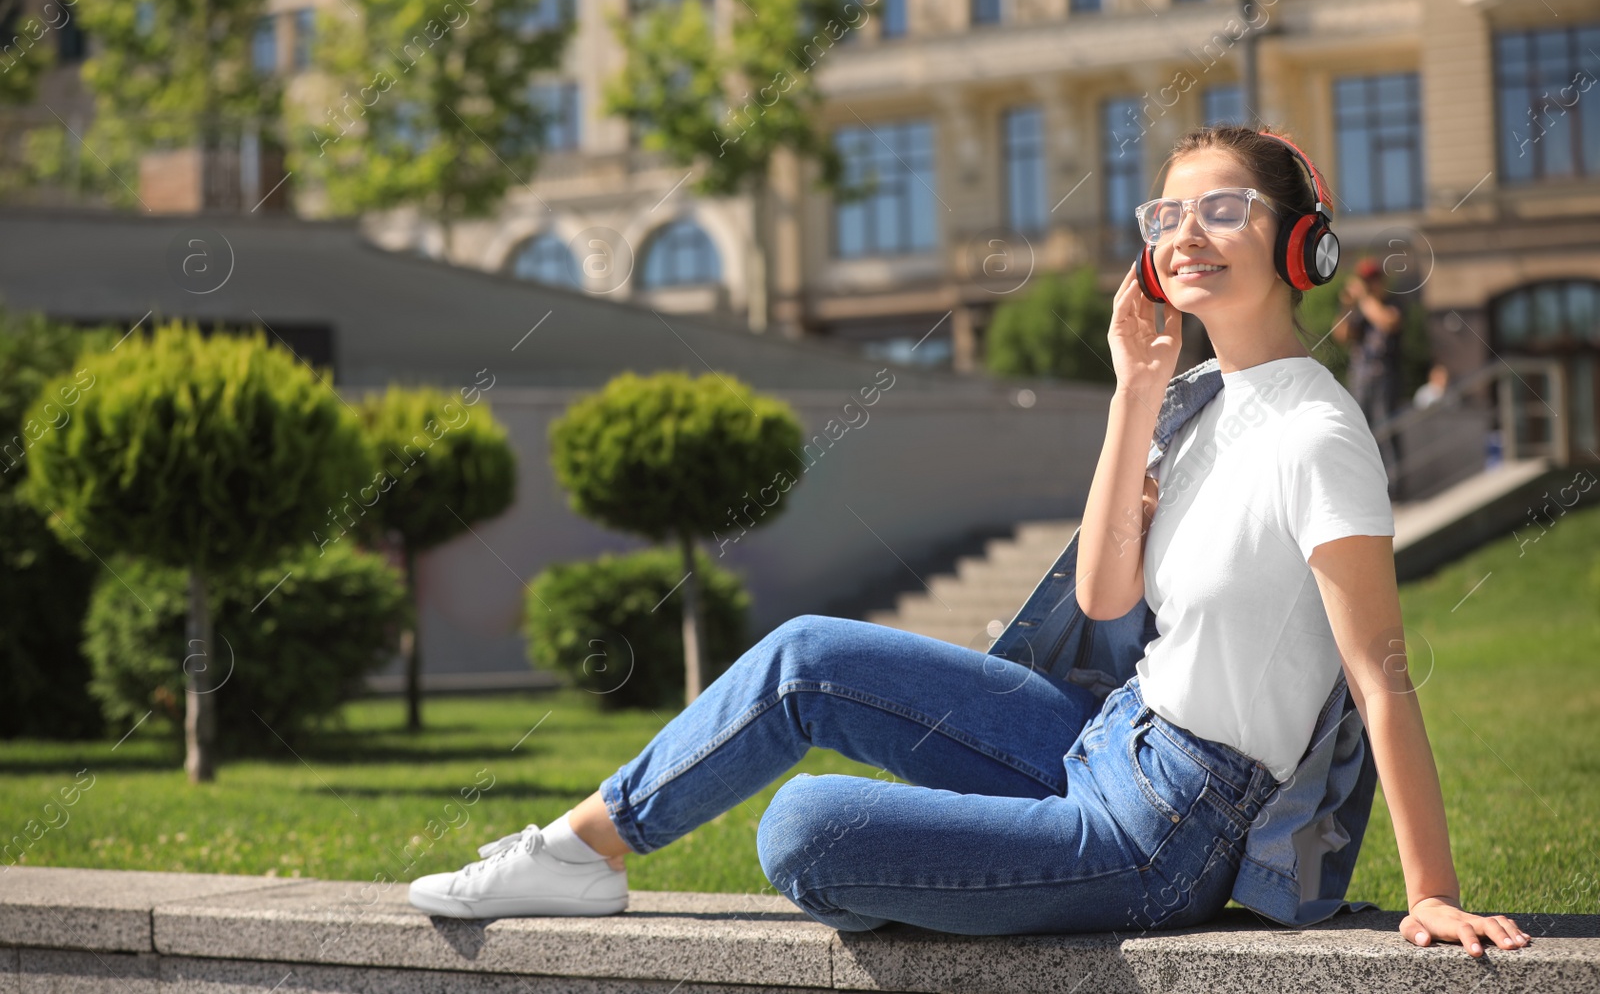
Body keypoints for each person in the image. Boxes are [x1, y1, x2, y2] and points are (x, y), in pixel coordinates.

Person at [406, 124, 1530, 958]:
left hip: (1169, 823)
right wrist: (1132, 395)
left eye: (1223, 209)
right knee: (804, 655)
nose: (1186, 235)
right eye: (1165, 217)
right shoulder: (1196, 400)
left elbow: (1379, 669)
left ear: (1302, 244)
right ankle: (578, 850)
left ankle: (1016, 863)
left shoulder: (1315, 427)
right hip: (1102, 736)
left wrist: (1427, 886)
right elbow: (1103, 599)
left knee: (802, 826)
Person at [1333, 256, 1406, 491]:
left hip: (1386, 377)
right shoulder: (1360, 309)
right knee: (1361, 433)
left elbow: (1388, 322)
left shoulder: (1392, 303)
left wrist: (1364, 298)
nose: (1368, 284)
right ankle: (1368, 488)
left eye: (1372, 279)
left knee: (1387, 431)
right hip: (1360, 378)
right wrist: (1346, 305)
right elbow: (1341, 335)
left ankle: (1396, 489)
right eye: (1365, 280)